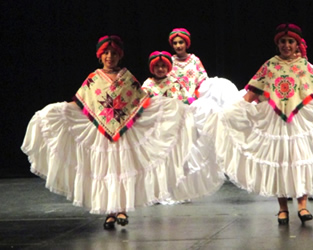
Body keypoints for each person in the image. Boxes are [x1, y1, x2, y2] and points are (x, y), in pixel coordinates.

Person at [21, 35, 207, 230]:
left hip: (124, 135)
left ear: (120, 56)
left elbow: (143, 101)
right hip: (102, 135)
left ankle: (122, 209)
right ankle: (109, 212)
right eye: (106, 53)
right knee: (106, 171)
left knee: (122, 172)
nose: (110, 57)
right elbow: (81, 103)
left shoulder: (127, 78)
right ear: (100, 56)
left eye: (114, 53)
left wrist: (169, 108)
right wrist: (59, 110)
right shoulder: (94, 79)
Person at [201, 23, 313, 224]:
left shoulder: (305, 67)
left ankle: (302, 206)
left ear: (297, 44)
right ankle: (283, 208)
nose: (286, 45)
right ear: (278, 44)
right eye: (282, 42)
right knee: (280, 163)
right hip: (275, 121)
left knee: (300, 161)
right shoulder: (270, 66)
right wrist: (232, 110)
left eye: (290, 41)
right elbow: (252, 93)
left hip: (298, 122)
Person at [142, 50, 226, 205]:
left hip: (173, 127)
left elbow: (183, 101)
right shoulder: (147, 85)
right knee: (157, 161)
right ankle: (155, 192)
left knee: (175, 160)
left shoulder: (174, 83)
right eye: (157, 66)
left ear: (168, 67)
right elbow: (143, 106)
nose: (160, 69)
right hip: (156, 129)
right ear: (151, 68)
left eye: (163, 66)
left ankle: (173, 190)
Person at [168, 28, 241, 133]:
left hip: (194, 101)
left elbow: (203, 81)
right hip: (176, 101)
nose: (178, 46)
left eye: (181, 42)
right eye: (175, 43)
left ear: (186, 43)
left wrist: (196, 98)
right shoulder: (170, 62)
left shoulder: (194, 60)